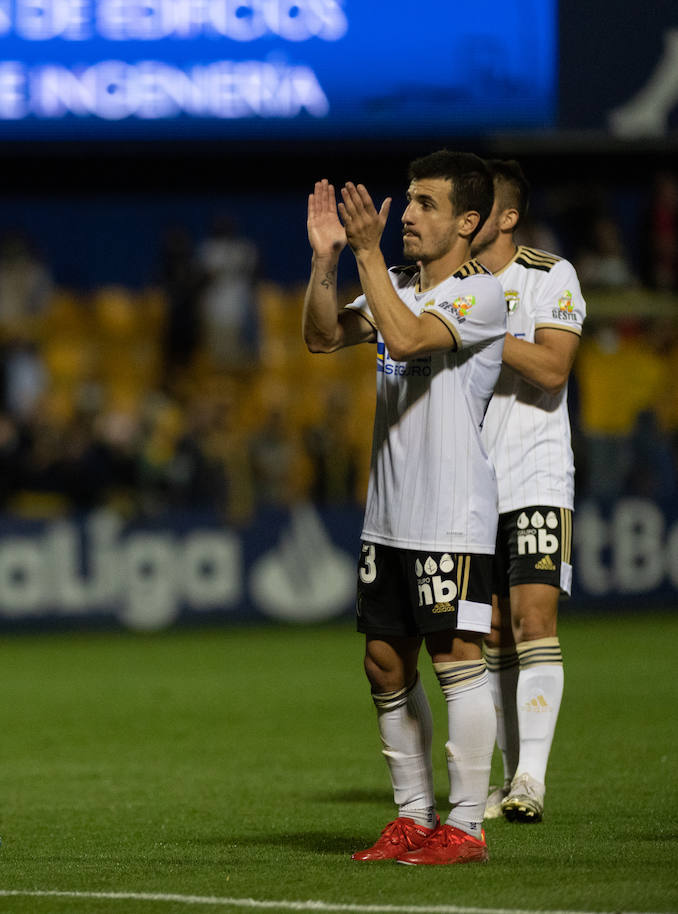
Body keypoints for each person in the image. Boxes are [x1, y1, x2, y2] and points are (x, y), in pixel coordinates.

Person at [303, 151, 506, 865]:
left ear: (468, 222)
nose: (408, 214)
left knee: (458, 659)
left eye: (425, 203)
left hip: (453, 515)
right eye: (409, 201)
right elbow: (323, 335)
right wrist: (329, 262)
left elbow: (407, 337)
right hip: (388, 517)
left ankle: (467, 826)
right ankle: (413, 817)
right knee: (385, 664)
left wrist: (366, 254)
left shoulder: (479, 296)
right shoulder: (399, 284)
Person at [472, 160, 587, 824]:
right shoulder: (448, 282)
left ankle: (532, 780)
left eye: (472, 205)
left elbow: (550, 368)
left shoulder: (550, 275)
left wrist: (476, 328)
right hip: (467, 481)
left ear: (504, 217)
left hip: (536, 473)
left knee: (533, 620)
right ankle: (506, 780)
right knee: (488, 631)